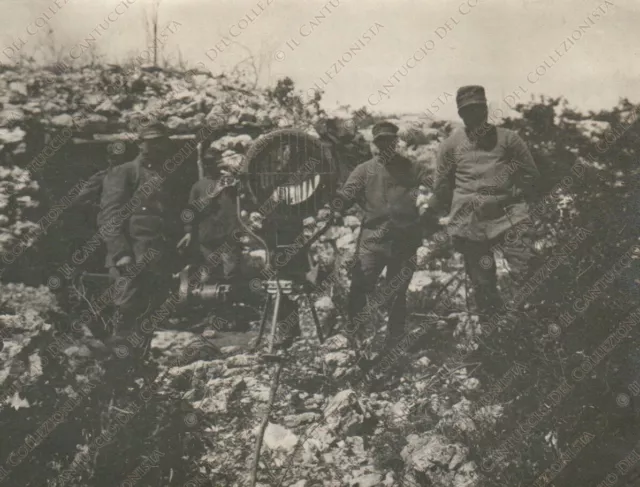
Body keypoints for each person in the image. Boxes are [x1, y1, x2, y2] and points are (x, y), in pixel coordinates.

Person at [426, 85, 540, 320]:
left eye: (478, 109)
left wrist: (512, 195)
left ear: (486, 109)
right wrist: (429, 215)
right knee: (482, 284)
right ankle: (493, 335)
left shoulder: (509, 139)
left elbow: (531, 176)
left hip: (510, 216)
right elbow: (443, 187)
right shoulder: (450, 144)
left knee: (526, 272)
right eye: (468, 112)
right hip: (471, 222)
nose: (475, 116)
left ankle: (530, 328)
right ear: (460, 115)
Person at [334, 121, 431, 353]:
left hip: (404, 241)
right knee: (360, 285)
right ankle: (355, 339)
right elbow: (346, 195)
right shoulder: (364, 169)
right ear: (375, 144)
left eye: (390, 140)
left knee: (397, 293)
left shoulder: (412, 167)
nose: (386, 145)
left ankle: (394, 342)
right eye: (381, 142)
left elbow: (438, 183)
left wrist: (433, 209)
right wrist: (336, 206)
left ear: (396, 142)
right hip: (373, 241)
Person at [98, 121, 174, 360]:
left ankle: (140, 366)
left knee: (150, 315)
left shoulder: (161, 176)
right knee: (125, 313)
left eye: (161, 142)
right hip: (131, 259)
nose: (157, 146)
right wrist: (121, 253)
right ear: (141, 144)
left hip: (155, 260)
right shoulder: (125, 172)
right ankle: (116, 371)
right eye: (151, 141)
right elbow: (109, 216)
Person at [177, 154, 245, 330]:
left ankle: (231, 317)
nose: (211, 168)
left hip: (229, 236)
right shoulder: (198, 186)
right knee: (211, 276)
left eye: (214, 164)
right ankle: (214, 317)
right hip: (207, 237)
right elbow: (191, 211)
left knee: (231, 274)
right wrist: (188, 232)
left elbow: (244, 196)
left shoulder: (231, 183)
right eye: (208, 165)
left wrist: (237, 181)